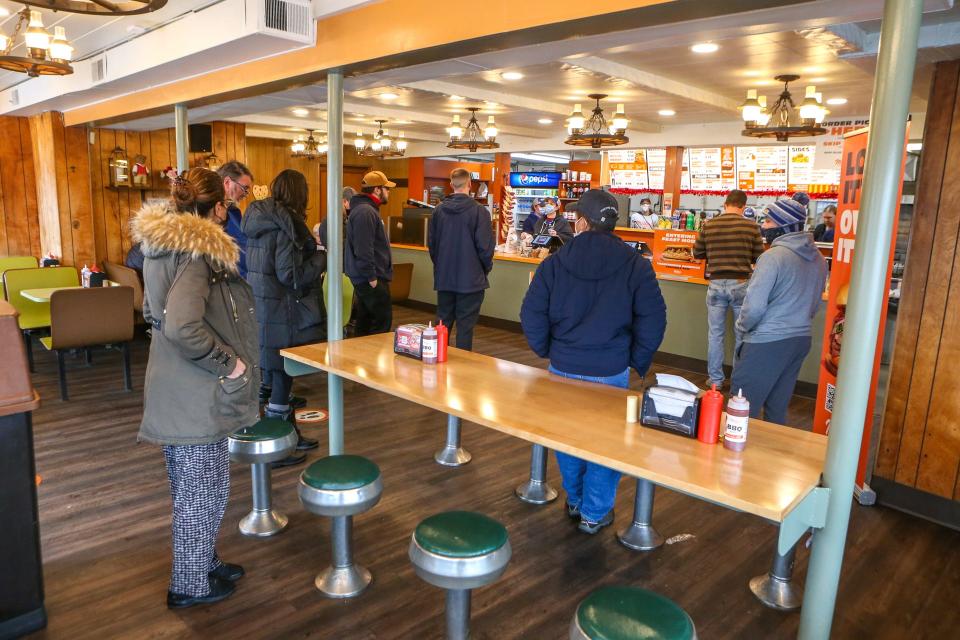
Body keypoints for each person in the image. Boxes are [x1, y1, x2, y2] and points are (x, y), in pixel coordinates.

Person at [131, 167, 259, 609]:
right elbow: (184, 327)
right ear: (216, 207)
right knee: (201, 494)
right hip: (196, 391)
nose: (229, 213)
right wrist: (230, 364)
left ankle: (202, 560)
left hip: (179, 386)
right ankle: (189, 584)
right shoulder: (197, 253)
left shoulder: (160, 246)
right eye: (227, 206)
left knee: (200, 487)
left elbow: (153, 313)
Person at [520, 189, 666, 534]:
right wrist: (636, 360)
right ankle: (594, 512)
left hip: (564, 365)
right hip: (611, 369)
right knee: (606, 443)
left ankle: (575, 499)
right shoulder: (634, 264)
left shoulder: (556, 261)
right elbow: (654, 319)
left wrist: (548, 349)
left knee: (568, 436)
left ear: (581, 221)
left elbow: (532, 312)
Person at [242, 169, 326, 460]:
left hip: (264, 309)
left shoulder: (258, 222)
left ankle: (289, 435)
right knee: (282, 377)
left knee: (276, 373)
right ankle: (278, 447)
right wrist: (321, 257)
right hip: (283, 311)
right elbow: (291, 276)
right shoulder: (286, 226)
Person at [732, 192, 827, 425]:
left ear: (783, 225)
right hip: (800, 339)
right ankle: (768, 460)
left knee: (741, 410)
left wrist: (742, 327)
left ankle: (735, 460)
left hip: (766, 342)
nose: (763, 226)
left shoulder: (772, 257)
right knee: (776, 411)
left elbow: (753, 307)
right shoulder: (819, 259)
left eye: (767, 221)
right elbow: (814, 305)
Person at [693, 189, 763, 389]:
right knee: (742, 333)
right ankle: (738, 381)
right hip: (740, 284)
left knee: (715, 334)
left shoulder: (709, 224)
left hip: (715, 284)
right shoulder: (752, 227)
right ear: (743, 206)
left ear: (725, 204)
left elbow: (698, 254)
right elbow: (758, 258)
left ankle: (715, 380)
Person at [428, 168, 495, 350]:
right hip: (471, 280)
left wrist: (441, 266)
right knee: (465, 328)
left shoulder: (438, 211)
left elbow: (432, 247)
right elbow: (485, 249)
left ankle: (438, 357)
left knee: (442, 323)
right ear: (469, 185)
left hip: (445, 278)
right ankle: (462, 371)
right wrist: (483, 270)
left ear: (451, 185)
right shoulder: (480, 212)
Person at [346, 171, 395, 336]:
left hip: (367, 277)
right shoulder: (366, 212)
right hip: (370, 279)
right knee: (381, 325)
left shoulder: (365, 210)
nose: (389, 192)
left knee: (365, 323)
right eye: (386, 189)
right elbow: (363, 249)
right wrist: (372, 278)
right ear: (377, 190)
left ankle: (362, 360)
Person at [217, 161, 254, 279]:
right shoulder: (213, 216)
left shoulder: (233, 212)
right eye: (244, 188)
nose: (246, 194)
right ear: (227, 182)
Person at [317, 186, 356, 251]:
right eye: (353, 204)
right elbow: (334, 246)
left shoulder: (347, 219)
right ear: (344, 201)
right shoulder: (329, 222)